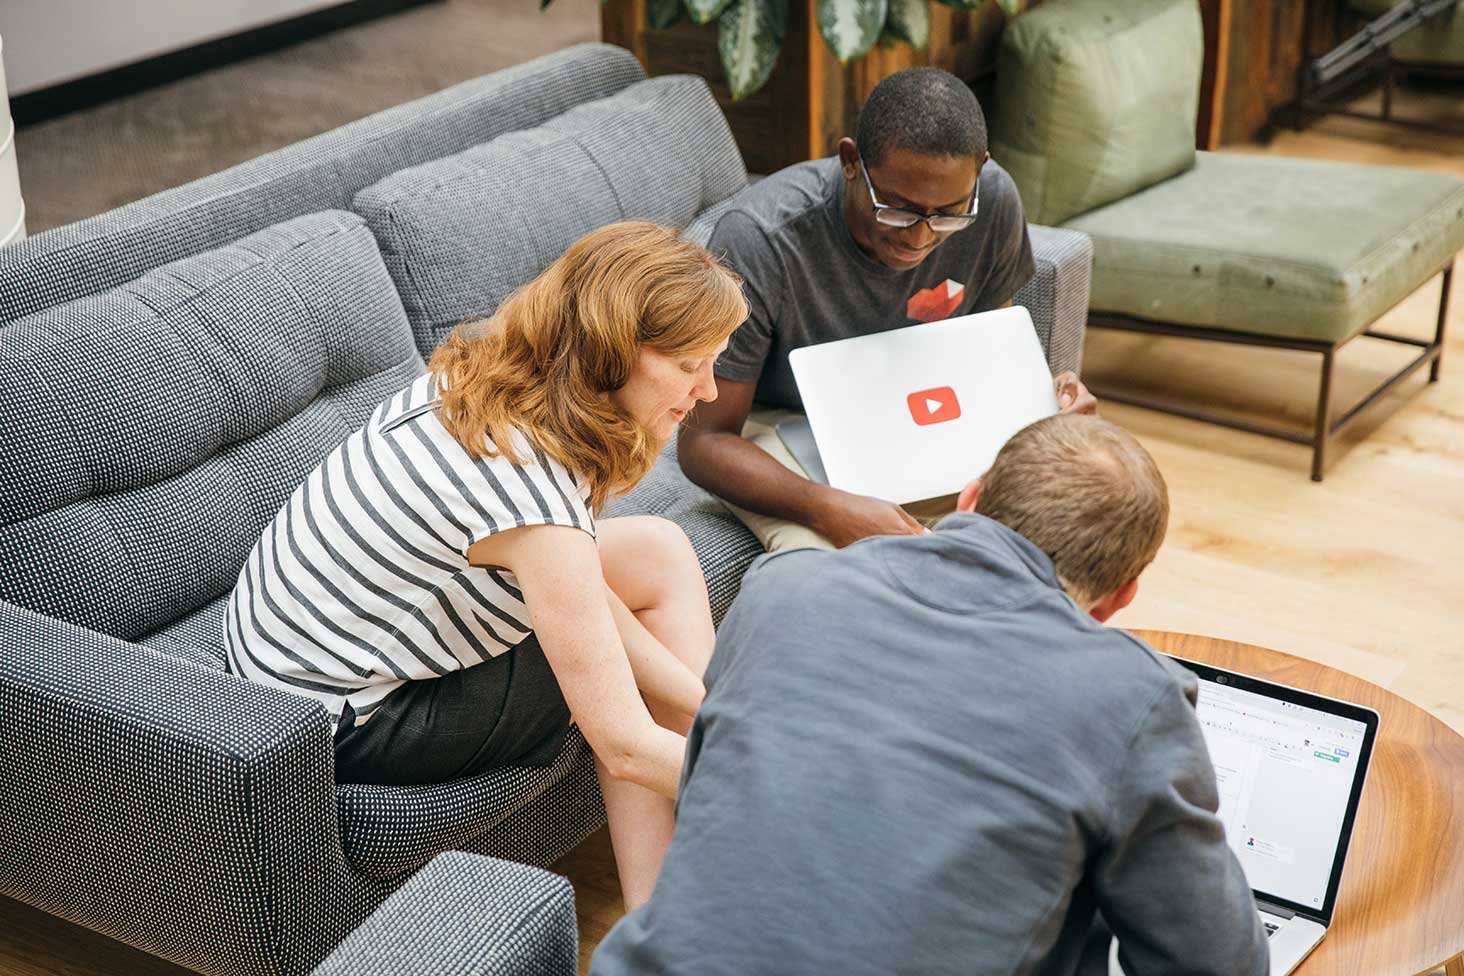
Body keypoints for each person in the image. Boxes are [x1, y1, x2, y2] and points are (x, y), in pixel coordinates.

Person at [593, 414, 1269, 976]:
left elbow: (717, 790)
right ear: (1119, 598)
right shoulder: (1133, 698)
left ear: (970, 498)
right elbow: (1216, 963)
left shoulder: (785, 586)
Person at [223, 221, 746, 910]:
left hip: (273, 662)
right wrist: (767, 780)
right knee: (615, 696)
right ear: (618, 352)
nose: (707, 391)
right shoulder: (532, 497)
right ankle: (682, 925)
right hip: (333, 722)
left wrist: (717, 716)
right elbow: (622, 744)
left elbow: (578, 581)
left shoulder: (484, 377)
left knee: (658, 550)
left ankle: (668, 906)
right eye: (689, 365)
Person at [678, 66, 1098, 553]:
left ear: (980, 171)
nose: (920, 237)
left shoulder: (993, 201)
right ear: (851, 161)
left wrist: (1046, 401)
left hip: (914, 403)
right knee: (830, 566)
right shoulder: (761, 239)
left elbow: (986, 347)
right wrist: (826, 506)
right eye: (896, 208)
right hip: (784, 418)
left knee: (1069, 514)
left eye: (946, 214)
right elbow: (704, 442)